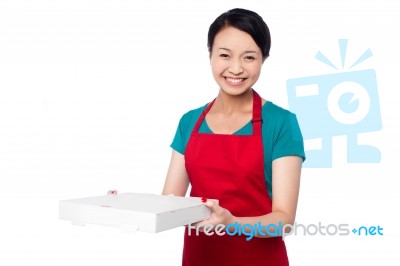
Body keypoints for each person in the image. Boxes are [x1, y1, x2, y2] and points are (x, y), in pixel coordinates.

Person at [162, 8, 305, 266]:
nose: (236, 68)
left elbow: (284, 221)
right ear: (210, 55)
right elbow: (169, 202)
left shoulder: (282, 123)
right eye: (225, 55)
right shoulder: (189, 122)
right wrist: (123, 206)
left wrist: (233, 223)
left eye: (249, 57)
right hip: (199, 258)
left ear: (263, 59)